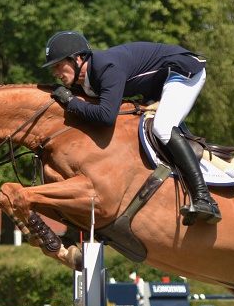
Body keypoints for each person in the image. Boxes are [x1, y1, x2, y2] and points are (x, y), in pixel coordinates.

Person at [42, 30, 220, 225]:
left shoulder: (106, 68)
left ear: (77, 59)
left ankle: (205, 198)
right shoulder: (87, 79)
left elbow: (106, 116)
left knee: (162, 127)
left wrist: (70, 102)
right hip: (158, 83)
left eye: (58, 65)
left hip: (182, 71)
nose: (55, 72)